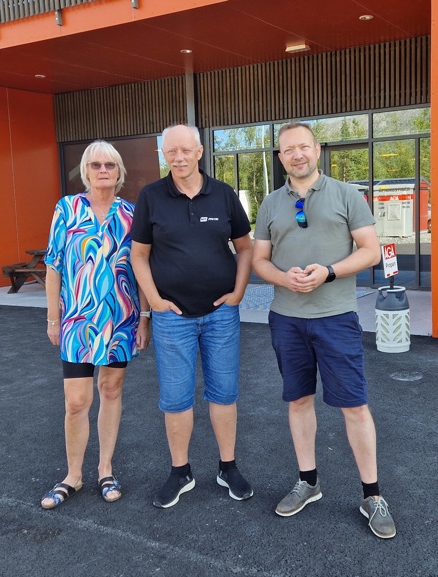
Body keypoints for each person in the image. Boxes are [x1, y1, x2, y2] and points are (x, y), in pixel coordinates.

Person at [251, 121, 396, 539]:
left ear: (317, 150)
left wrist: (329, 272)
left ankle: (372, 495)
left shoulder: (347, 195)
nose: (296, 155)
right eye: (288, 150)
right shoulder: (270, 204)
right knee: (298, 401)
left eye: (303, 147)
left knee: (354, 406)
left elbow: (370, 251)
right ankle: (308, 482)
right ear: (281, 158)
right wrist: (284, 278)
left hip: (336, 318)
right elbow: (259, 260)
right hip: (287, 319)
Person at [130, 124, 254, 509]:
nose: (179, 158)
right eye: (171, 152)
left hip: (221, 315)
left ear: (199, 152)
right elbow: (139, 255)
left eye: (185, 150)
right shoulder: (151, 197)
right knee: (175, 399)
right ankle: (180, 471)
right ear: (164, 155)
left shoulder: (224, 194)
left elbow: (245, 247)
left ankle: (228, 467)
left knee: (224, 394)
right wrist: (155, 301)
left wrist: (238, 292)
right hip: (172, 317)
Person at [40, 140, 149, 509]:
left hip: (120, 319)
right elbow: (54, 266)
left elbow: (141, 268)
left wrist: (144, 317)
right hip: (76, 319)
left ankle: (105, 470)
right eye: (96, 165)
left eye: (110, 165)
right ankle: (73, 475)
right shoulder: (67, 208)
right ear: (86, 171)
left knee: (111, 390)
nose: (103, 171)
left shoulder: (131, 214)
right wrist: (53, 317)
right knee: (76, 401)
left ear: (119, 172)